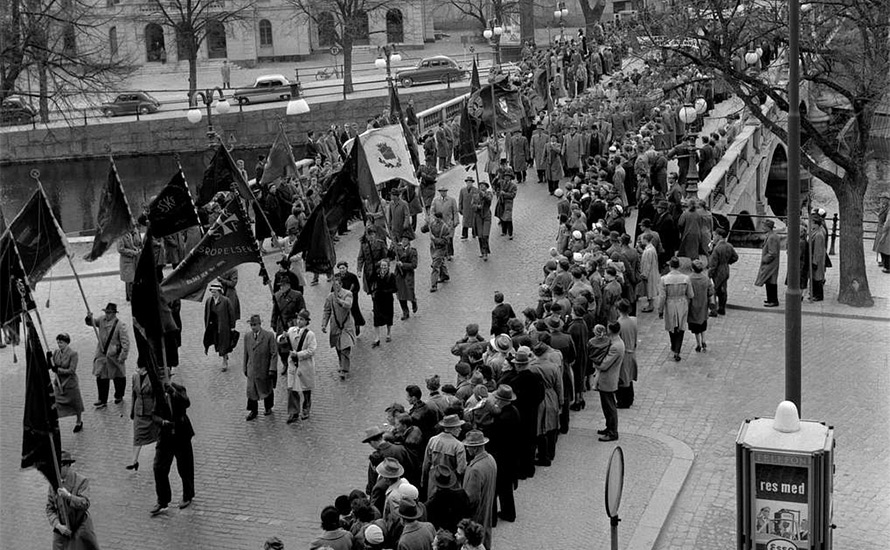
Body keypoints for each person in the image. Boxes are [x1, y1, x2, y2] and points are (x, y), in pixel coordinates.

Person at [151, 379, 195, 515]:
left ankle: (188, 495)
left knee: (185, 466)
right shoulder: (158, 392)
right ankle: (162, 500)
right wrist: (162, 422)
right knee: (159, 467)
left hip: (181, 432)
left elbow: (186, 403)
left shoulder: (178, 388)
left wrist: (174, 393)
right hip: (165, 435)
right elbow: (153, 415)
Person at [46, 451, 101, 549]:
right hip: (63, 529)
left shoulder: (81, 481)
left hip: (80, 527)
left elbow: (85, 503)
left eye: (60, 466)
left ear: (67, 466)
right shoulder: (53, 484)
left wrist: (68, 496)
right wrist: (58, 525)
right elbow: (50, 509)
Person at [85, 302, 129, 408]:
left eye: (109, 313)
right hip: (102, 353)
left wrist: (122, 356)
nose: (107, 314)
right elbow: (92, 323)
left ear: (114, 313)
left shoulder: (120, 325)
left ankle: (119, 395)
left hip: (114, 356)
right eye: (106, 312)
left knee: (118, 377)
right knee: (101, 376)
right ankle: (102, 399)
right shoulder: (101, 320)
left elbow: (125, 343)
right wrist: (88, 317)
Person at [461, 430, 497, 550]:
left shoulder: (475, 469)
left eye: (468, 447)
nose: (467, 449)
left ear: (475, 448)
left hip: (476, 514)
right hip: (487, 507)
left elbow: (471, 499)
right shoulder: (490, 459)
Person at [280, 309, 316, 424]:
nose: (299, 321)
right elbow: (280, 340)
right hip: (293, 365)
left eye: (302, 319)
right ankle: (293, 412)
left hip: (304, 365)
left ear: (306, 322)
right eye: (298, 319)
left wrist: (298, 354)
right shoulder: (291, 330)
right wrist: (283, 337)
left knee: (305, 389)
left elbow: (311, 351)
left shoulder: (310, 335)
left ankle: (306, 408)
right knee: (291, 388)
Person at [658, 257, 695, 361]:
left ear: (670, 266)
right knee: (681, 327)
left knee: (671, 326)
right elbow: (691, 294)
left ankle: (674, 346)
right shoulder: (686, 278)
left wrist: (660, 310)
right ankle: (677, 349)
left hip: (670, 304)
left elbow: (662, 297)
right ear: (679, 266)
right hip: (682, 303)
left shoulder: (664, 279)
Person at [421, 415, 467, 500]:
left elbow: (426, 464)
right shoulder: (458, 445)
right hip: (451, 484)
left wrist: (423, 481)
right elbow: (461, 469)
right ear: (453, 428)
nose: (460, 429)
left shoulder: (433, 440)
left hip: (434, 481)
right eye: (458, 427)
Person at [243, 314, 278, 421]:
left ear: (260, 324)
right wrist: (245, 367)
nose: (253, 327)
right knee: (251, 390)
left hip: (264, 368)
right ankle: (253, 410)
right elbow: (246, 353)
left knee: (266, 388)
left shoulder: (269, 336)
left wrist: (272, 368)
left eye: (255, 325)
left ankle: (268, 407)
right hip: (252, 369)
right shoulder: (247, 336)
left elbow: (274, 353)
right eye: (251, 325)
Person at [594, 322, 624, 442]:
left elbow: (604, 364)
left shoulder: (615, 346)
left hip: (608, 379)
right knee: (606, 405)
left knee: (609, 406)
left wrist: (595, 362)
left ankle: (612, 432)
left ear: (611, 330)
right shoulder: (616, 342)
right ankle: (609, 427)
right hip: (608, 378)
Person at [322, 274, 356, 380]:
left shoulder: (348, 293)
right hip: (335, 325)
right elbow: (327, 310)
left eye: (337, 285)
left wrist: (340, 301)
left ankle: (344, 369)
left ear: (340, 284)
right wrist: (324, 324)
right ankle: (341, 364)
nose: (335, 287)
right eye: (333, 285)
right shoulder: (330, 296)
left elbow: (348, 305)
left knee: (345, 346)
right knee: (338, 346)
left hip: (346, 325)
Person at [48, 333, 84, 433]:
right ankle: (55, 423)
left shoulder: (73, 354)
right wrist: (49, 360)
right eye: (58, 342)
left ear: (67, 343)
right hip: (58, 383)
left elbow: (72, 370)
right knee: (57, 403)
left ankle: (79, 421)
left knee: (76, 404)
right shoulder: (56, 352)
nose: (59, 345)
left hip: (70, 383)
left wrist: (58, 370)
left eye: (62, 342)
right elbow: (52, 366)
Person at [126, 361, 159, 471]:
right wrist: (132, 411)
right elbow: (133, 394)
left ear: (145, 368)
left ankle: (159, 457)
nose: (136, 369)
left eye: (139, 367)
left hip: (151, 411)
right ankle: (134, 461)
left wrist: (156, 411)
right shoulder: (135, 377)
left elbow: (156, 395)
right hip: (139, 410)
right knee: (137, 436)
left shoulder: (153, 377)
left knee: (157, 434)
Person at [424, 465, 471, 534]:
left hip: (443, 540)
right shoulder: (461, 495)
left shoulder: (430, 504)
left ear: (435, 483)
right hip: (459, 535)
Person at [203, 283, 236, 371]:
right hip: (214, 326)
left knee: (223, 343)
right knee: (217, 342)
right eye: (212, 292)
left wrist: (232, 326)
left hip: (224, 326)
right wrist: (206, 326)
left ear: (219, 292)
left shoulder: (226, 301)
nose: (213, 294)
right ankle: (224, 355)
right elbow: (206, 314)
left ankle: (224, 361)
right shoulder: (209, 301)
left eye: (215, 292)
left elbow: (231, 314)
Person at [707, 227, 738, 315]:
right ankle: (722, 308)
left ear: (719, 236)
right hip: (725, 269)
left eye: (715, 235)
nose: (714, 237)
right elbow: (735, 257)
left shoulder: (717, 248)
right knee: (723, 289)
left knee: (713, 289)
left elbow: (713, 264)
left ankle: (713, 310)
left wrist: (709, 274)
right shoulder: (729, 246)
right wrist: (728, 262)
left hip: (717, 271)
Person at [687, 259, 714, 352]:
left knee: (695, 327)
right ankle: (704, 340)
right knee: (703, 323)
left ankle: (698, 343)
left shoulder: (689, 279)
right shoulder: (706, 279)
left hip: (693, 306)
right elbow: (711, 292)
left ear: (692, 268)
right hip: (703, 305)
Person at [615, 300, 638, 409]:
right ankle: (630, 398)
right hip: (632, 351)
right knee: (629, 377)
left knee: (622, 378)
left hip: (623, 353)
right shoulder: (633, 321)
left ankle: (623, 402)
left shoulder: (619, 323)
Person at [370, 259, 397, 347]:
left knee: (388, 316)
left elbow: (395, 289)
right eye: (382, 265)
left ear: (388, 266)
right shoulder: (377, 274)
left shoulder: (391, 276)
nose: (383, 267)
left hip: (387, 299)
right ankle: (377, 338)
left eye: (385, 265)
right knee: (376, 318)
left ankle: (388, 333)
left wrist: (386, 291)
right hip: (378, 299)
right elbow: (370, 280)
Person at [754, 219, 781, 307]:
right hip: (772, 263)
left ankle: (773, 301)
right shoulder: (772, 235)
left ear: (768, 228)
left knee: (771, 281)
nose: (762, 228)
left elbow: (772, 253)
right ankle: (770, 299)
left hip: (771, 264)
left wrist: (765, 259)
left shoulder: (772, 237)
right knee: (769, 281)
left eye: (764, 226)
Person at [393, 236, 419, 319]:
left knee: (409, 291)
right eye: (402, 240)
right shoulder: (398, 249)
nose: (403, 241)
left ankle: (413, 301)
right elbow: (389, 254)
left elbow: (414, 265)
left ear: (409, 241)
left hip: (408, 274)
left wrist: (403, 265)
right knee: (400, 294)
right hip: (399, 274)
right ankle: (405, 312)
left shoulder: (412, 251)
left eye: (405, 240)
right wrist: (391, 247)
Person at [431, 186, 459, 260]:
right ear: (439, 192)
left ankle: (449, 254)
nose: (443, 193)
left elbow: (455, 211)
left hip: (449, 223)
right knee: (441, 239)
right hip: (439, 223)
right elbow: (432, 211)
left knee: (449, 239)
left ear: (446, 192)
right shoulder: (435, 200)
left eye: (444, 191)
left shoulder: (452, 200)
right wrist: (433, 220)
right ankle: (442, 253)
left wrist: (456, 221)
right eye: (441, 191)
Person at [429, 211, 452, 293]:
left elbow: (445, 241)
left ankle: (433, 285)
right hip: (433, 248)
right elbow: (423, 230)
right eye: (434, 218)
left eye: (436, 218)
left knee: (435, 266)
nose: (435, 219)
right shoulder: (432, 224)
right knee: (440, 263)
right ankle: (445, 276)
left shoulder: (445, 228)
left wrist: (435, 240)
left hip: (441, 249)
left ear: (440, 218)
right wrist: (426, 223)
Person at [117, 228, 141, 301]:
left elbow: (135, 244)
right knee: (129, 279)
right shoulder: (121, 234)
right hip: (127, 261)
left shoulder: (132, 232)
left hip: (134, 259)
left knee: (134, 279)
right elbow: (120, 249)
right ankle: (130, 297)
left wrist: (137, 249)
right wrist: (133, 252)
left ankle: (134, 296)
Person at [808, 212, 828, 301]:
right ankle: (814, 294)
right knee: (815, 277)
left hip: (817, 259)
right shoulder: (816, 232)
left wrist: (815, 262)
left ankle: (818, 295)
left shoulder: (819, 234)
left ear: (815, 224)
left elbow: (818, 250)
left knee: (817, 277)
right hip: (815, 258)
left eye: (811, 222)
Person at [473, 181, 493, 261]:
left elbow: (489, 200)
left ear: (486, 187)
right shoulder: (475, 195)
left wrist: (483, 195)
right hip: (478, 217)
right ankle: (482, 252)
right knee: (480, 236)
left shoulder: (489, 193)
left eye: (483, 185)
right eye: (480, 185)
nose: (482, 187)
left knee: (485, 235)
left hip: (486, 216)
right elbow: (472, 205)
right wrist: (477, 206)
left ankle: (485, 253)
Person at [495, 172, 517, 239]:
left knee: (508, 218)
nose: (506, 178)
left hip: (508, 203)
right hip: (501, 202)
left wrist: (504, 194)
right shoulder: (501, 183)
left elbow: (512, 195)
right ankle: (504, 231)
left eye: (508, 177)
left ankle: (510, 234)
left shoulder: (513, 186)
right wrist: (496, 177)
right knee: (501, 216)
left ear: (510, 178)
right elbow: (495, 185)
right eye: (505, 177)